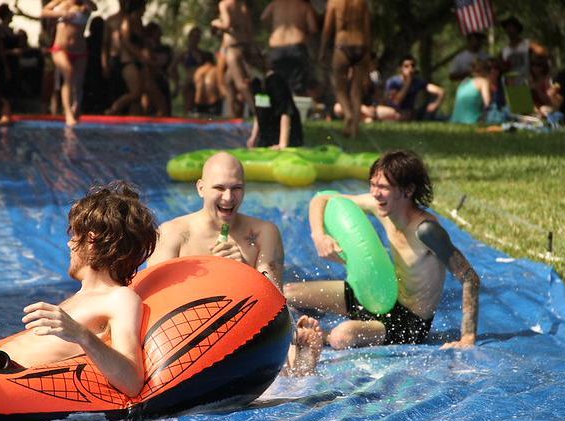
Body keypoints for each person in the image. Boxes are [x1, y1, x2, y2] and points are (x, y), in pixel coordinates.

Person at [285, 150, 480, 352]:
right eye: (373, 185)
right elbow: (323, 198)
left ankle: (315, 336)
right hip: (379, 293)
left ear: (408, 190)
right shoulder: (381, 207)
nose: (375, 193)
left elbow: (469, 278)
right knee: (288, 293)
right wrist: (319, 236)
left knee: (342, 336)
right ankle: (309, 325)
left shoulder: (426, 231)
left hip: (409, 321)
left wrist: (467, 337)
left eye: (383, 187)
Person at [148, 152, 321, 375]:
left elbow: (275, 298)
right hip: (193, 331)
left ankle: (299, 364)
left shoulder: (264, 232)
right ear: (201, 188)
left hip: (246, 325)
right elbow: (155, 300)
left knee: (279, 324)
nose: (228, 197)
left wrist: (243, 271)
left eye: (236, 188)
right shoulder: (174, 233)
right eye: (219, 188)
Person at [0, 182, 158, 397]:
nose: (69, 244)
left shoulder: (120, 298)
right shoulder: (79, 299)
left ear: (91, 240)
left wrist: (81, 335)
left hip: (1, 375)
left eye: (74, 236)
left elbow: (132, 381)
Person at [41, 0, 97, 126]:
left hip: (80, 51)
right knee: (69, 74)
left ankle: (76, 106)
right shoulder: (60, 2)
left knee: (78, 84)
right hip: (60, 49)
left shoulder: (85, 5)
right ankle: (67, 113)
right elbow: (43, 12)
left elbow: (95, 8)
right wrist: (61, 13)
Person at [320, 0, 371, 137]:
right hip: (361, 45)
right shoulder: (362, 2)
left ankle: (348, 114)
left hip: (342, 46)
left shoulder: (334, 2)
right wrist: (368, 51)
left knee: (339, 88)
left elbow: (327, 29)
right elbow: (367, 29)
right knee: (356, 90)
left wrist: (323, 49)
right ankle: (354, 128)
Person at [211, 0, 261, 117]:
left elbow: (227, 24)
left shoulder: (224, 4)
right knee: (229, 81)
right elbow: (249, 29)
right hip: (244, 46)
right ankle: (233, 115)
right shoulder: (242, 5)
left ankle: (258, 114)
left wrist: (215, 23)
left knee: (241, 84)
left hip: (233, 48)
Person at [261, 0, 318, 96]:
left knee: (275, 80)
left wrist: (274, 29)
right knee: (297, 84)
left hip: (277, 47)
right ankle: (294, 105)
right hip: (296, 46)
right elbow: (313, 28)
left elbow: (263, 18)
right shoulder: (304, 6)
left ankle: (277, 106)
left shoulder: (275, 4)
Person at [380, 55, 445, 121]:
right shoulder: (393, 82)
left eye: (413, 65)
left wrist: (436, 104)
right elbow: (396, 101)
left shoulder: (417, 82)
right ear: (400, 68)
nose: (410, 68)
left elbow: (440, 91)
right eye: (406, 66)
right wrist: (407, 83)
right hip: (392, 110)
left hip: (408, 113)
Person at [248, 71, 304, 148]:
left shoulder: (276, 82)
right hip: (267, 137)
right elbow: (259, 111)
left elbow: (285, 111)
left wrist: (283, 143)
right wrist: (253, 137)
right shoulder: (256, 83)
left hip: (286, 136)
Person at [171, 27, 213, 114]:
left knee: (201, 104)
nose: (195, 38)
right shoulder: (184, 53)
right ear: (189, 37)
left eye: (197, 36)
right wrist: (177, 83)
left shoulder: (203, 54)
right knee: (188, 105)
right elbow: (172, 68)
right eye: (193, 36)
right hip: (189, 81)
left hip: (201, 81)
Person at [450, 59, 491, 124]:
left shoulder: (464, 82)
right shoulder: (483, 82)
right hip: (472, 121)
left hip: (455, 120)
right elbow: (487, 103)